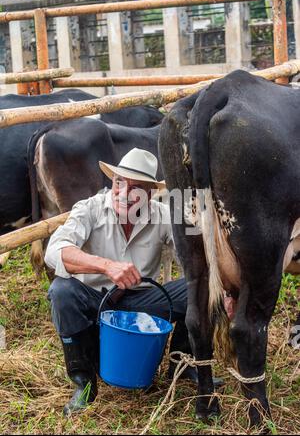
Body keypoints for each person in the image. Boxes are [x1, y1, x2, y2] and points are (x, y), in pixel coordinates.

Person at [45, 148, 219, 416]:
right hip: (95, 300)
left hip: (141, 304)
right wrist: (105, 265)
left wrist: (227, 291)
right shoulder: (90, 208)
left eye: (136, 189)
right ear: (112, 183)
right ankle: (84, 382)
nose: (125, 193)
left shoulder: (163, 214)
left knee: (199, 288)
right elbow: (54, 251)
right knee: (61, 291)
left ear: (150, 195)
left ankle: (182, 365)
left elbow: (197, 256)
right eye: (119, 182)